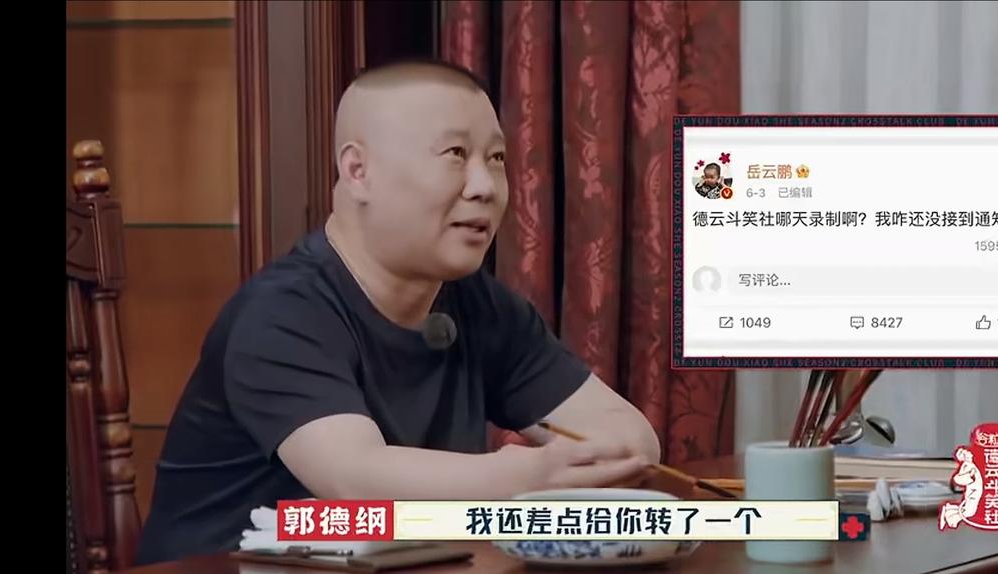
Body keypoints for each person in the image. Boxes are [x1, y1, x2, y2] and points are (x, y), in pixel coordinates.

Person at [135, 59, 660, 565]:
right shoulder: (280, 314)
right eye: (456, 153)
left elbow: (631, 440)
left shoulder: (479, 304)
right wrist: (527, 477)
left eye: (497, 158)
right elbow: (356, 481)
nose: (484, 186)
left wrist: (583, 463)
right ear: (358, 171)